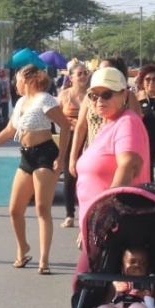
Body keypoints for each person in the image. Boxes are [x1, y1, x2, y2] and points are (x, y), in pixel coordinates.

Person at [0, 65, 71, 275]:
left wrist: (61, 157)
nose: (14, 84)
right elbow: (11, 130)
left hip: (46, 155)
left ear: (27, 79)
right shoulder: (20, 102)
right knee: (14, 210)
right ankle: (23, 248)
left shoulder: (44, 99)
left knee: (41, 208)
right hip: (26, 155)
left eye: (17, 79)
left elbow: (65, 126)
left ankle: (44, 259)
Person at [68, 65, 151, 285]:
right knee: (87, 293)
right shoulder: (110, 123)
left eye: (107, 94)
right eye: (94, 95)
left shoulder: (127, 122)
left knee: (87, 290)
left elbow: (129, 164)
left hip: (111, 228)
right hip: (97, 229)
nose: (99, 100)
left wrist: (105, 213)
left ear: (124, 94)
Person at [58, 60, 90, 228]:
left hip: (89, 137)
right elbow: (52, 115)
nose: (84, 76)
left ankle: (88, 212)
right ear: (71, 78)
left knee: (88, 176)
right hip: (69, 138)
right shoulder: (64, 96)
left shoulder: (93, 95)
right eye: (80, 74)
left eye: (86, 73)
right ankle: (70, 214)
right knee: (70, 176)